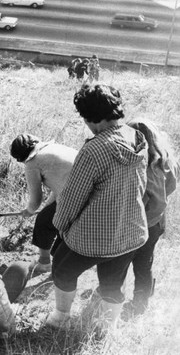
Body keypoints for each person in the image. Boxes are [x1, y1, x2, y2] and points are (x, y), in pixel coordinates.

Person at [48, 84, 148, 332]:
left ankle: (61, 317)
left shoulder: (94, 149)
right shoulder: (137, 137)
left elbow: (72, 198)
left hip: (92, 237)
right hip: (131, 231)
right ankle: (106, 328)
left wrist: (60, 227)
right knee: (113, 282)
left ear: (90, 118)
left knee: (61, 269)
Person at [123, 119, 179, 317]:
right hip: (156, 222)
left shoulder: (148, 165)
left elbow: (159, 202)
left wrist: (141, 223)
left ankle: (139, 301)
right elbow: (171, 187)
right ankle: (141, 295)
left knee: (134, 261)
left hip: (145, 223)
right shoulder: (167, 158)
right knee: (143, 262)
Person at [9, 134, 77, 274]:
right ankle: (59, 264)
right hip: (89, 193)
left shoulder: (32, 163)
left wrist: (29, 211)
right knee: (50, 218)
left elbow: (36, 199)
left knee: (43, 222)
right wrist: (47, 207)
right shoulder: (54, 147)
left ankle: (45, 263)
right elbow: (59, 184)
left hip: (73, 199)